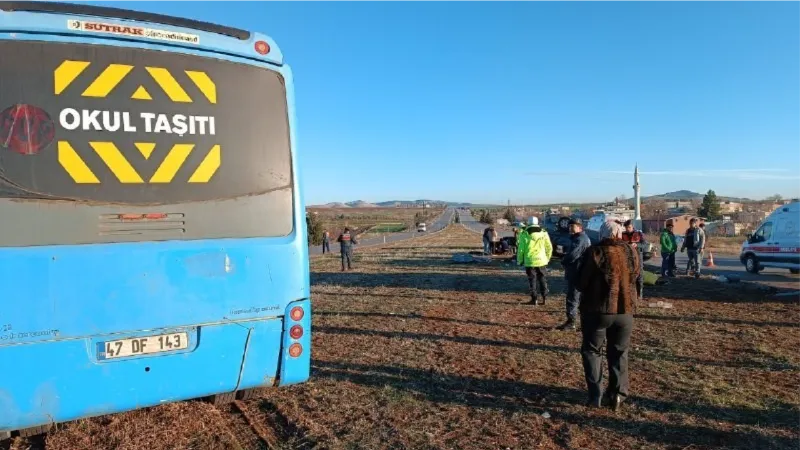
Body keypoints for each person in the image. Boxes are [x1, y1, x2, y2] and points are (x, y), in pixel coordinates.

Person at [576, 220, 640, 410]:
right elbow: (636, 276)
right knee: (619, 351)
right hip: (625, 310)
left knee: (592, 351)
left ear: (601, 234)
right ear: (620, 233)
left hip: (597, 310)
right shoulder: (631, 252)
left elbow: (581, 282)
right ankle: (618, 394)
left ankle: (596, 395)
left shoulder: (595, 252)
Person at [557, 218, 591, 330]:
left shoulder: (580, 239)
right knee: (577, 298)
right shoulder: (577, 238)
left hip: (577, 272)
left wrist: (563, 260)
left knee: (573, 298)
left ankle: (572, 323)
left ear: (580, 227)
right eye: (570, 226)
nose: (570, 228)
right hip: (577, 271)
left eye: (573, 226)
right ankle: (581, 322)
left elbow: (573, 255)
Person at [517, 217, 553, 305]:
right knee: (542, 279)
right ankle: (545, 298)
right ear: (538, 223)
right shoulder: (544, 233)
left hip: (529, 261)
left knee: (532, 280)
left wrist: (520, 260)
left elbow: (521, 249)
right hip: (541, 261)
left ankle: (534, 299)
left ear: (528, 223)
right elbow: (549, 247)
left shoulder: (524, 234)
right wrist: (547, 258)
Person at [622, 220, 646, 300]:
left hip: (638, 256)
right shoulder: (623, 235)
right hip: (627, 257)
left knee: (639, 275)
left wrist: (637, 244)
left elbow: (644, 244)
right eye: (626, 228)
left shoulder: (639, 234)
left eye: (629, 227)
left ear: (632, 227)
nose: (627, 229)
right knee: (628, 275)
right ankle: (629, 294)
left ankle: (640, 294)